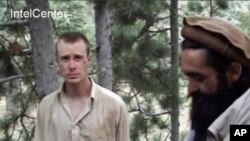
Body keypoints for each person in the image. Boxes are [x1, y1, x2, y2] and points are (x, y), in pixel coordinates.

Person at [34, 32, 129, 141]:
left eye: (77, 58)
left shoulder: (114, 106)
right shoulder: (46, 107)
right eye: (65, 59)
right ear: (57, 63)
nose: (72, 66)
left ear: (89, 60)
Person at [180, 17, 250, 141]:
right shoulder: (213, 112)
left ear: (234, 72)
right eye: (189, 77)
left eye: (199, 78)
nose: (190, 89)